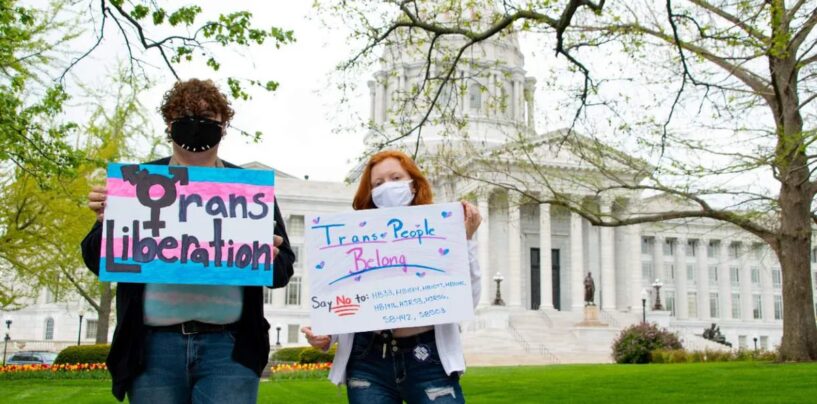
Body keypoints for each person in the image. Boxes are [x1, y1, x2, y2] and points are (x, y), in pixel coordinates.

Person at [80, 78, 295, 403]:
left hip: (229, 349)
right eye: (185, 116)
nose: (196, 126)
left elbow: (283, 270)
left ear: (223, 126)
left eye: (207, 118)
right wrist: (106, 224)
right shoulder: (137, 183)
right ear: (169, 124)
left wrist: (271, 255)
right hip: (152, 348)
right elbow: (96, 260)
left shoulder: (247, 191)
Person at [302, 150, 481, 404]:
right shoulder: (354, 235)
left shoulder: (440, 231)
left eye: (396, 177)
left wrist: (467, 240)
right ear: (370, 192)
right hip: (368, 357)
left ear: (413, 183)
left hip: (428, 356)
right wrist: (326, 334)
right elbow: (343, 294)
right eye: (378, 183)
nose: (387, 187)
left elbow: (467, 299)